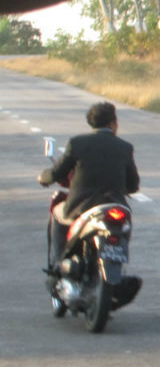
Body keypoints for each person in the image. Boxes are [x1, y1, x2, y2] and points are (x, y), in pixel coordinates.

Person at [38, 101, 140, 262]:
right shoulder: (125, 147)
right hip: (115, 205)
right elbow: (133, 185)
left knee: (57, 212)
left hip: (81, 207)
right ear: (113, 123)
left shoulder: (77, 143)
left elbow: (56, 173)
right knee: (125, 226)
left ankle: (58, 262)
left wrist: (43, 177)